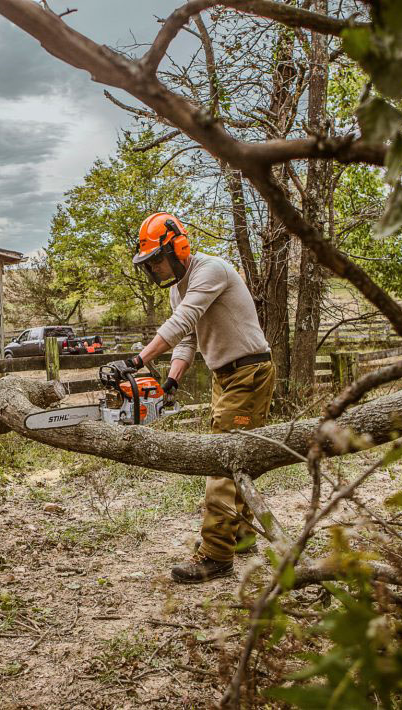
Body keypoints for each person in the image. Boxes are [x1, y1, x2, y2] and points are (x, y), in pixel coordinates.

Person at [108, 212, 275, 583]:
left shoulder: (211, 270)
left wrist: (137, 361)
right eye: (149, 264)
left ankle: (216, 555)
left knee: (221, 459)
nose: (155, 268)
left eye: (157, 260)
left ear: (177, 248)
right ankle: (242, 534)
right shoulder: (176, 289)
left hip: (250, 371)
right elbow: (188, 339)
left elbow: (183, 322)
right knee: (238, 456)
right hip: (225, 375)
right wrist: (169, 383)